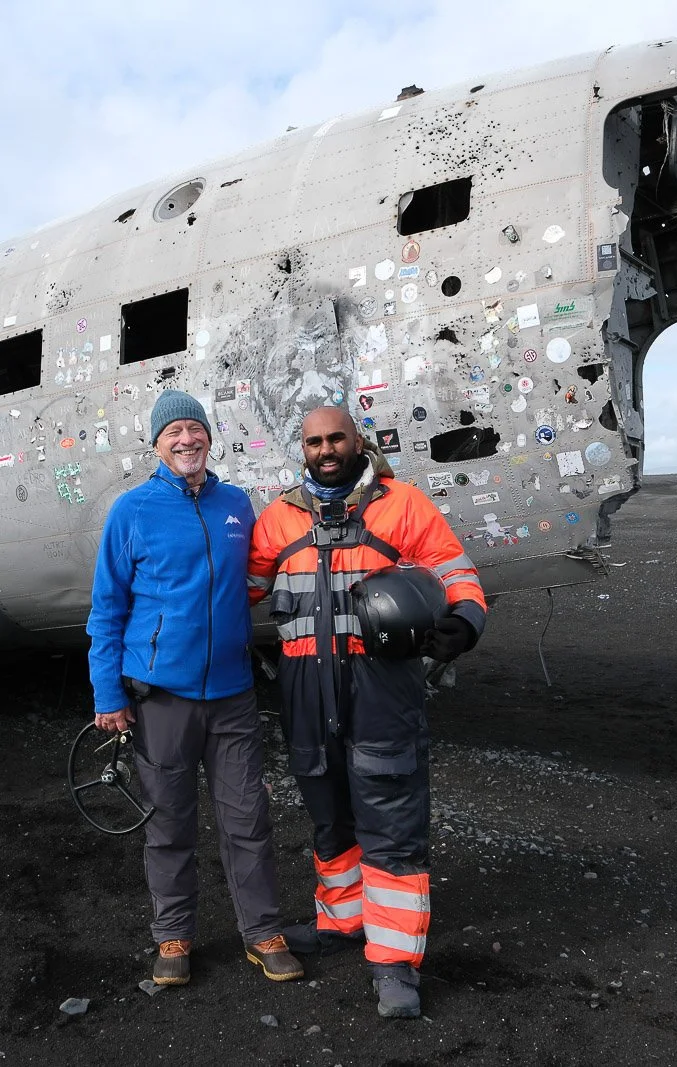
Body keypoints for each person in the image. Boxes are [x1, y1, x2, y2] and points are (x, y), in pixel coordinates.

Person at [247, 406, 486, 1019]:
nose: (326, 450)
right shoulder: (277, 519)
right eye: (314, 441)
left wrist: (464, 621)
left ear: (357, 441)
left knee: (391, 820)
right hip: (304, 688)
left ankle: (394, 961)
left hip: (382, 687)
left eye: (336, 438)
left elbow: (455, 571)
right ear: (301, 449)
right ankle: (342, 921)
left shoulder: (403, 504)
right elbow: (240, 590)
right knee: (327, 813)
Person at [86, 389, 302, 988]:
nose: (187, 440)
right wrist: (108, 694)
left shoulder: (236, 504)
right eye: (173, 432)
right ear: (157, 444)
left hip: (232, 693)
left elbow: (261, 576)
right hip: (160, 698)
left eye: (195, 429)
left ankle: (262, 932)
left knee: (248, 819)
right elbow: (106, 609)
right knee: (168, 822)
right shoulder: (132, 511)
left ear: (209, 437)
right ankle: (173, 935)